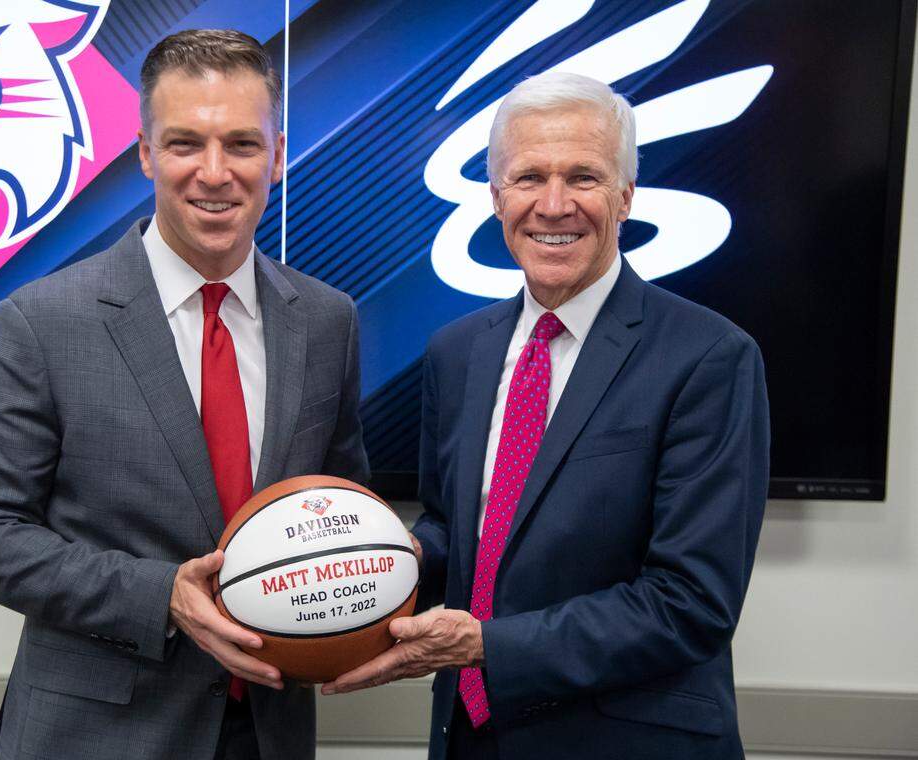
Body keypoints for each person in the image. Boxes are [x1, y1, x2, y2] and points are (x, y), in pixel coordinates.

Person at [0, 29, 367, 760]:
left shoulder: (328, 321)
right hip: (95, 737)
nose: (215, 172)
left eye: (241, 143)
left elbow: (340, 508)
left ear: (280, 154)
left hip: (267, 734)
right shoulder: (42, 322)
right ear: (144, 154)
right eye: (184, 144)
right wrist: (159, 594)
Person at [323, 71, 769, 760]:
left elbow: (691, 602)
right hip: (472, 738)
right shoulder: (456, 352)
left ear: (625, 196)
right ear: (497, 197)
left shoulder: (710, 357)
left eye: (583, 178)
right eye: (529, 177)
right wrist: (395, 563)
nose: (554, 205)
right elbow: (455, 527)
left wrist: (485, 645)